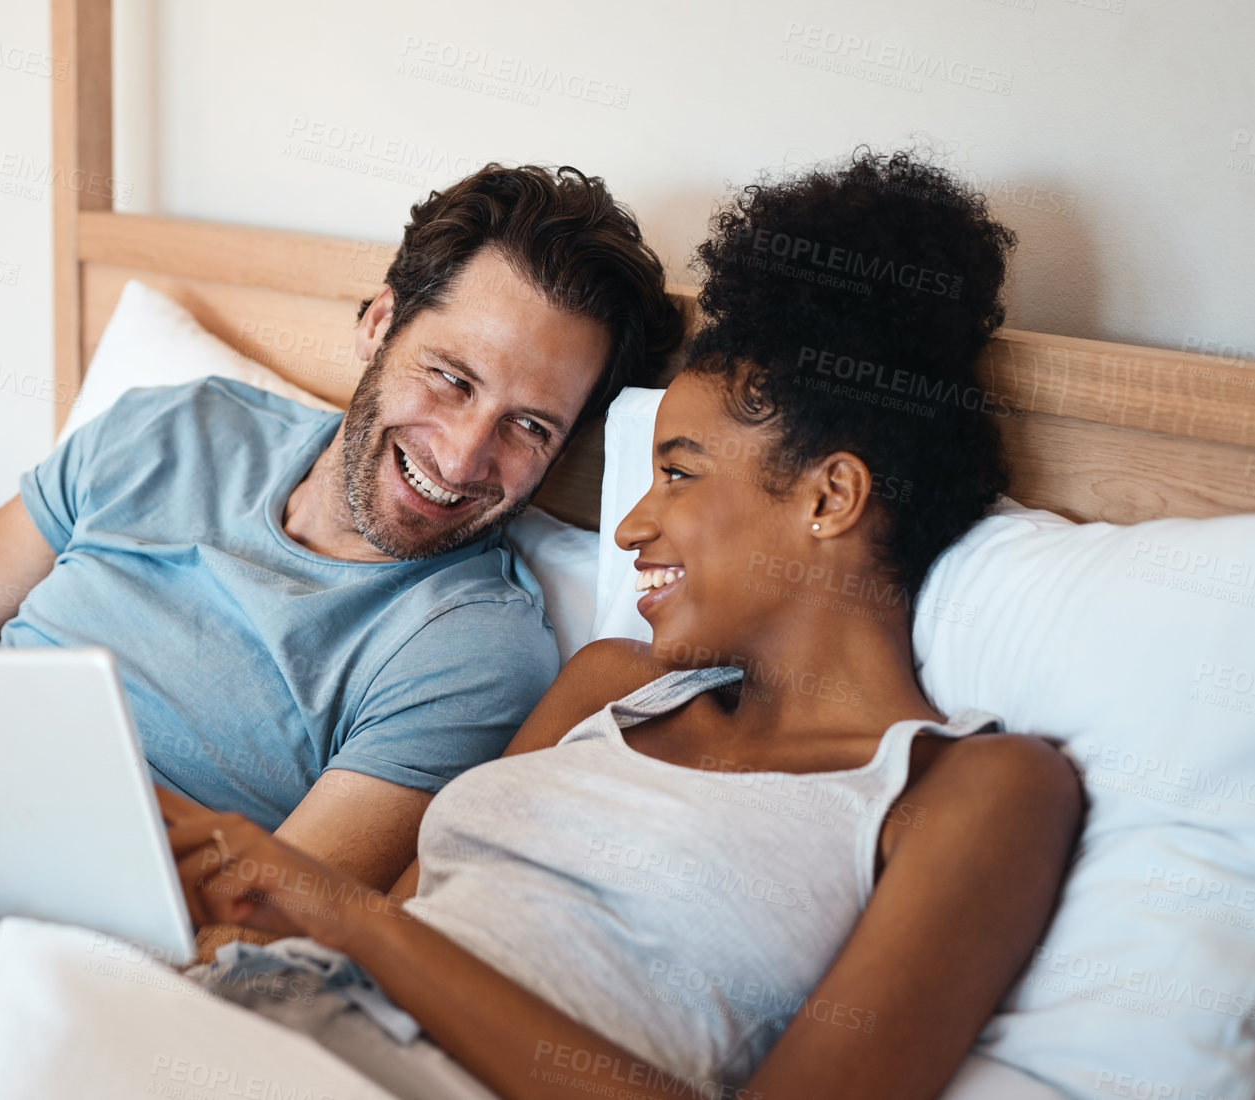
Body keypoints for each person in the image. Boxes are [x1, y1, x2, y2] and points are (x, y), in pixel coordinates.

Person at [140, 149, 1082, 1100]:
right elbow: (370, 933)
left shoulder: (980, 788)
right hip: (236, 1031)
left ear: (830, 495)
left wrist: (353, 921)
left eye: (676, 472)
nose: (630, 526)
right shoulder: (610, 685)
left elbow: (371, 933)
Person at [0, 165, 686, 930]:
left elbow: (257, 932)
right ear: (377, 323)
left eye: (528, 427)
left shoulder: (472, 646)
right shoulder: (179, 426)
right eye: (450, 377)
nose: (463, 451)